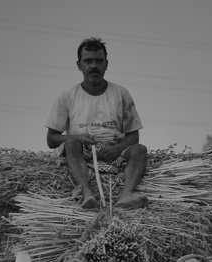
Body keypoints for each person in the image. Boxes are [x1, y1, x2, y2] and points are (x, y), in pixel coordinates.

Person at [45, 37, 148, 210]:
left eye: (98, 61)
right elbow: (51, 139)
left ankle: (126, 194)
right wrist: (78, 137)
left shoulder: (121, 93)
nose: (93, 66)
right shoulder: (68, 95)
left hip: (114, 149)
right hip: (82, 150)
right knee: (71, 143)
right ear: (79, 65)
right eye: (88, 61)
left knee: (140, 150)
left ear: (106, 64)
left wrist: (116, 149)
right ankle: (86, 192)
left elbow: (134, 136)